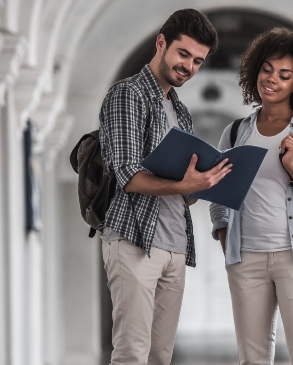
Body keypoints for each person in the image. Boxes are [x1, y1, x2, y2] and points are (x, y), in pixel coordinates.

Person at [97, 9, 229, 365]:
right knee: (132, 354)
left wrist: (203, 185)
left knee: (159, 356)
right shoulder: (128, 95)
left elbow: (178, 189)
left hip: (174, 245)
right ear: (161, 43)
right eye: (183, 54)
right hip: (134, 240)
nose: (189, 66)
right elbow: (127, 175)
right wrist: (184, 184)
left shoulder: (181, 111)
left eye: (198, 61)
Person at [209, 28, 293, 365]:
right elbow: (219, 192)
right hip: (246, 260)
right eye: (267, 69)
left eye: (284, 75)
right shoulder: (237, 131)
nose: (272, 80)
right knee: (252, 358)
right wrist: (224, 235)